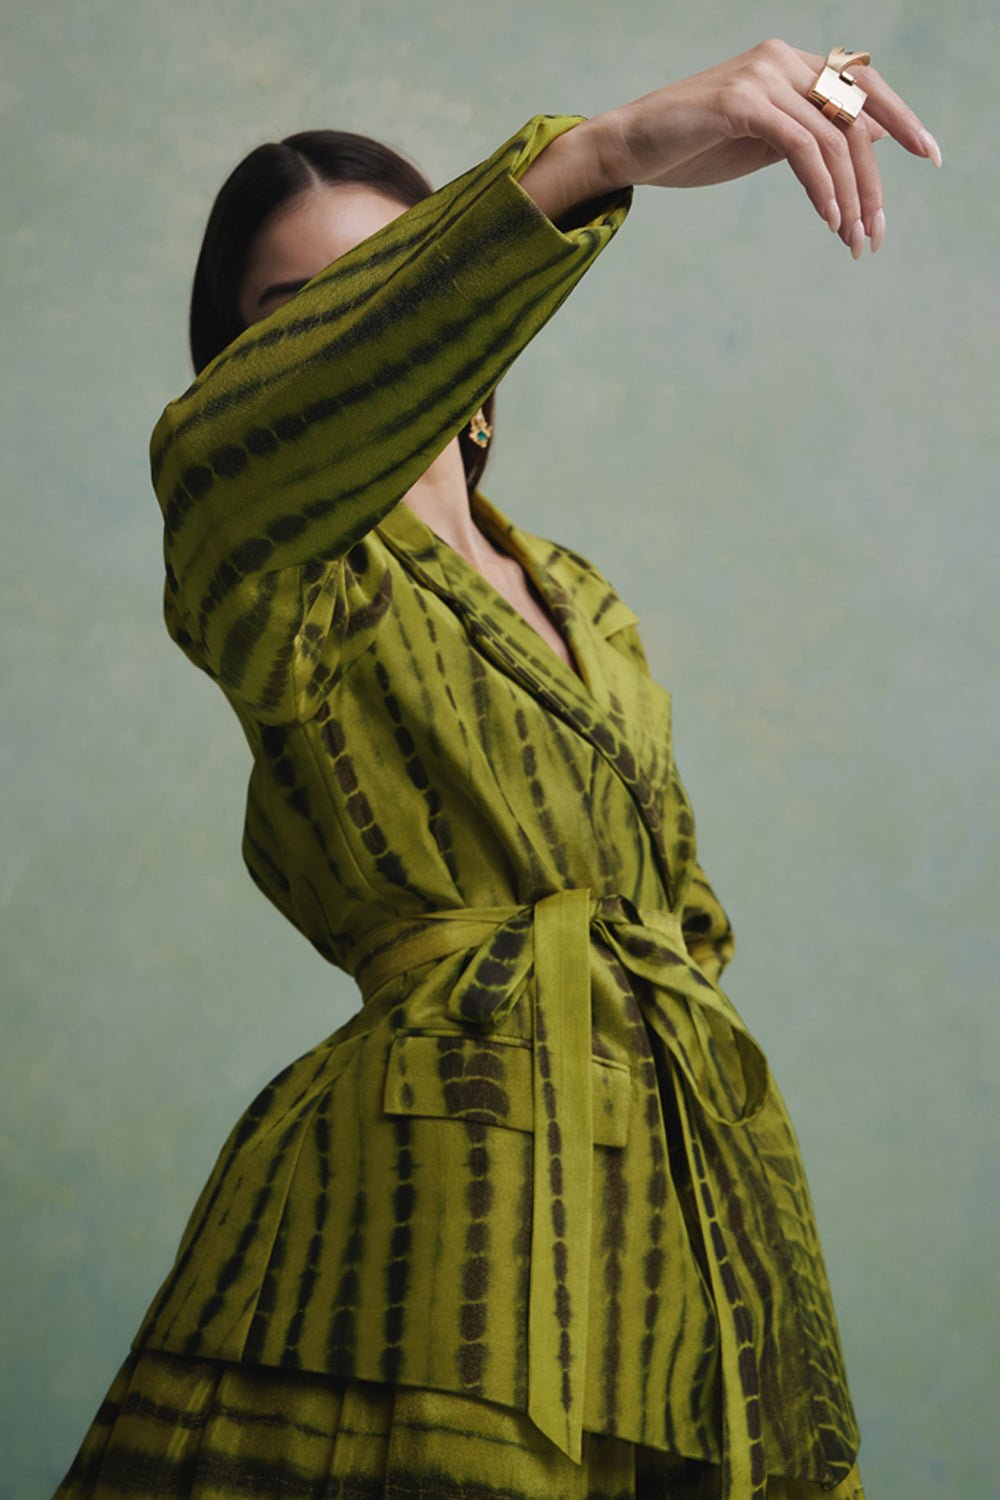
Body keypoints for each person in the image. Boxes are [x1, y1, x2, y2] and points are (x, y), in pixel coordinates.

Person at [52, 37, 939, 1500]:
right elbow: (219, 455)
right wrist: (599, 154)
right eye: (301, 311)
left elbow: (683, 913)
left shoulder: (584, 599)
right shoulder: (277, 566)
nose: (362, 321)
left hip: (684, 1204)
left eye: (390, 278)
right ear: (246, 367)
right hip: (434, 1207)